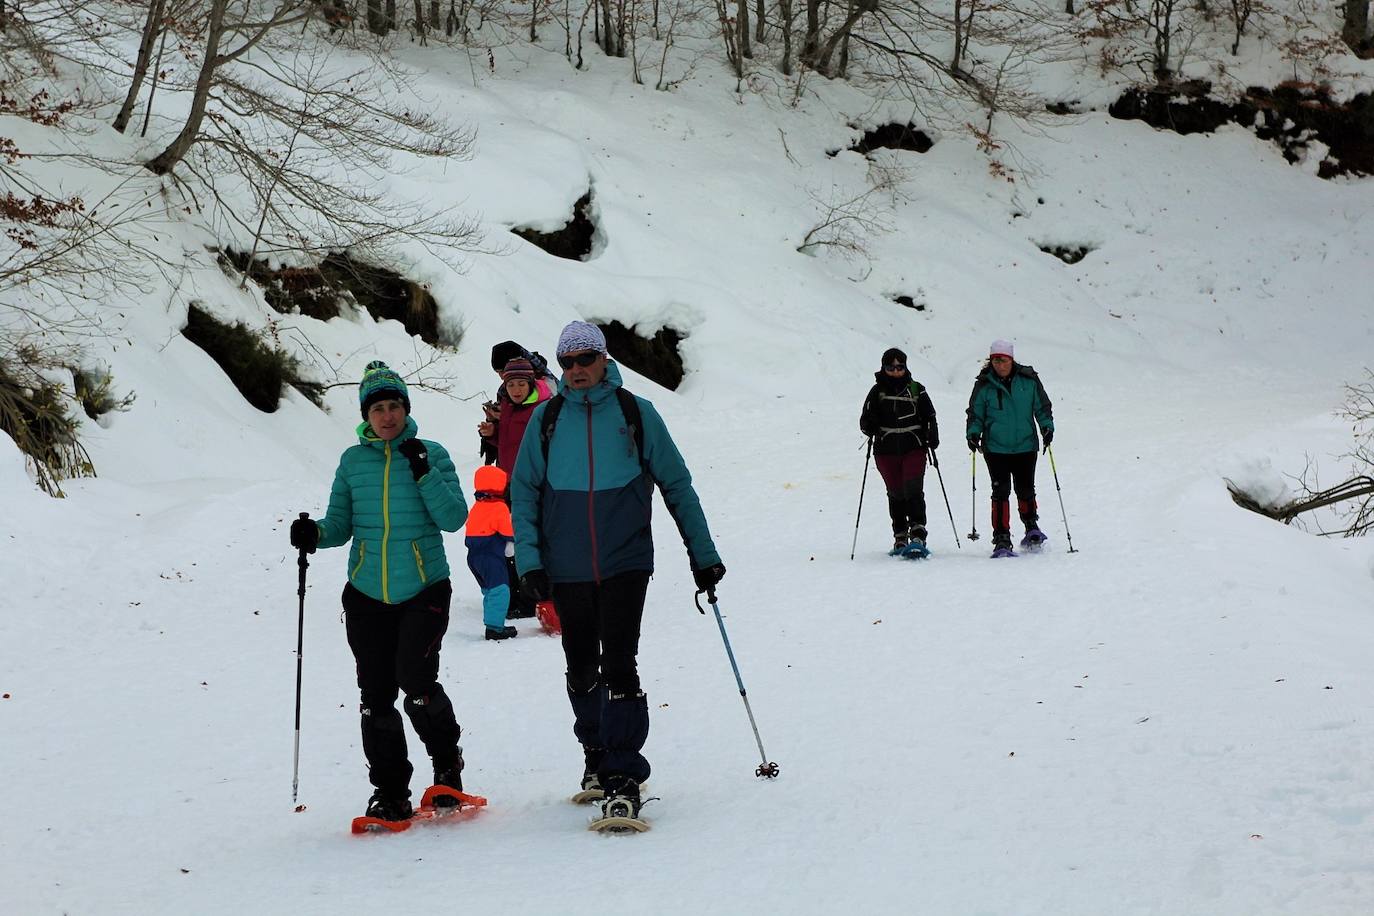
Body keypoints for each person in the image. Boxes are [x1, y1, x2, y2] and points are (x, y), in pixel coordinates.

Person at [509, 320, 726, 823]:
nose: (577, 369)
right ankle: (597, 756)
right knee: (581, 664)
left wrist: (703, 553)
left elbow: (676, 483)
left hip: (626, 560)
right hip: (566, 566)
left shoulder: (636, 412)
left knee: (620, 661)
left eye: (586, 359)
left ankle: (623, 771)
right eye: (567, 362)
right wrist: (531, 561)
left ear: (605, 360)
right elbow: (523, 493)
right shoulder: (548, 418)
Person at [289, 360, 470, 822]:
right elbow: (341, 525)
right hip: (367, 593)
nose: (387, 416)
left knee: (416, 679)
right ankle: (390, 791)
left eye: (394, 406)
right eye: (378, 409)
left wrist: (424, 472)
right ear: (366, 416)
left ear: (406, 409)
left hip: (424, 587)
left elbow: (454, 519)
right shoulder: (353, 462)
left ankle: (447, 766)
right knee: (375, 695)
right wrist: (314, 533)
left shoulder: (432, 453)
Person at [965, 339, 1055, 555]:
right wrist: (973, 433)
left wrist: (1046, 427)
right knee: (1000, 490)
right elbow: (975, 413)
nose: (999, 364)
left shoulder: (1029, 381)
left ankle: (1031, 526)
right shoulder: (984, 384)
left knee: (1025, 488)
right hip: (995, 448)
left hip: (1025, 445)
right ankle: (1002, 536)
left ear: (1011, 360)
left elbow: (1042, 407)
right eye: (995, 360)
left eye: (1003, 360)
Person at [859, 347, 939, 555]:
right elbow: (864, 421)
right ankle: (900, 535)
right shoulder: (877, 392)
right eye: (890, 367)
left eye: (899, 367)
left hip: (913, 447)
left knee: (912, 489)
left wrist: (932, 435)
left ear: (905, 367)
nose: (895, 371)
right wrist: (871, 424)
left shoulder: (916, 389)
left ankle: (918, 534)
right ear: (883, 367)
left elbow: (930, 415)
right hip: (885, 450)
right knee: (895, 492)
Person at [465, 464, 519, 641]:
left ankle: (492, 623)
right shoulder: (498, 507)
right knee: (500, 590)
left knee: (489, 590)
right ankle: (495, 629)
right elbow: (507, 530)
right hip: (490, 556)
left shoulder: (478, 506)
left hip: (474, 558)